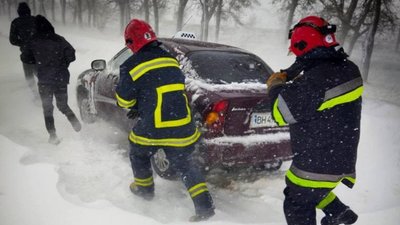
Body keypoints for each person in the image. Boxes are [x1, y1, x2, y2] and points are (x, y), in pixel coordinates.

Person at [115, 19, 215, 222]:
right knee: (186, 165)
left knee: (138, 150)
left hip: (154, 126)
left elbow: (124, 99)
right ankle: (205, 207)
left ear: (131, 42)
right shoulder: (170, 59)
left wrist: (135, 104)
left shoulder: (130, 65)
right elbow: (164, 88)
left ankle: (144, 189)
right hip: (182, 125)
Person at [266, 16, 363, 225]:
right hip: (339, 158)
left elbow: (280, 113)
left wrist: (275, 86)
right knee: (313, 190)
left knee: (297, 199)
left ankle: (338, 212)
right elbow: (319, 83)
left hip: (316, 162)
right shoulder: (347, 69)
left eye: (299, 52)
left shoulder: (317, 81)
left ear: (303, 45)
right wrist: (295, 70)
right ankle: (340, 213)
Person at [27, 15, 81, 144]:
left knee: (47, 108)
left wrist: (38, 61)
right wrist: (62, 63)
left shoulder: (33, 41)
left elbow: (25, 58)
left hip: (45, 80)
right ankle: (74, 120)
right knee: (62, 104)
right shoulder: (59, 39)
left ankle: (53, 135)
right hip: (60, 78)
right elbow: (71, 55)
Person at [9, 2, 38, 95]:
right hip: (39, 53)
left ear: (19, 12)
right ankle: (47, 94)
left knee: (29, 77)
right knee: (41, 74)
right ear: (29, 11)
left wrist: (22, 43)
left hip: (26, 55)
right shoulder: (36, 20)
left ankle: (35, 94)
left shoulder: (15, 22)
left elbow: (12, 40)